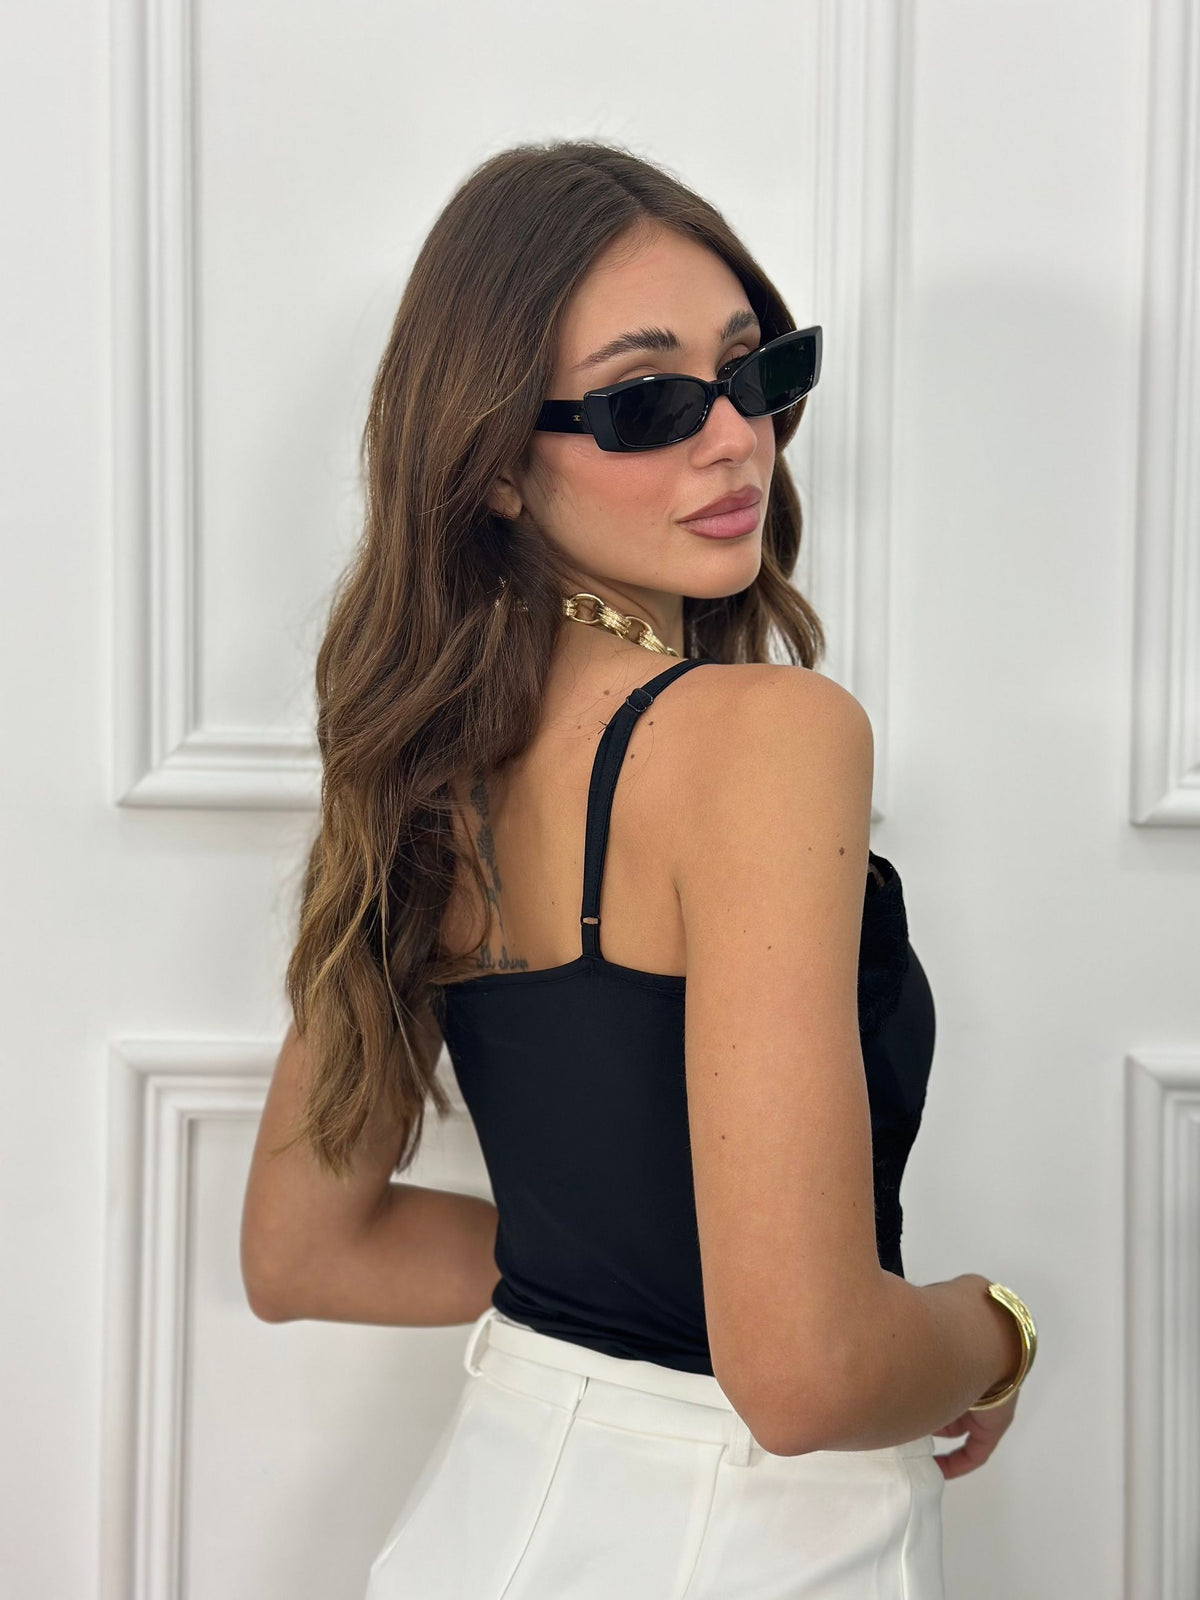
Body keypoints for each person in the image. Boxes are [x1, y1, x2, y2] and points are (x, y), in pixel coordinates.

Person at [240, 138, 1037, 1599]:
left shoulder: (426, 770)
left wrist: (644, 1264)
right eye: (647, 402)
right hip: (751, 1543)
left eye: (754, 370)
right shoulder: (768, 736)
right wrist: (996, 1331)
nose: (735, 439)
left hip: (482, 1514)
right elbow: (805, 1375)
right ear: (491, 467)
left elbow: (307, 1252)